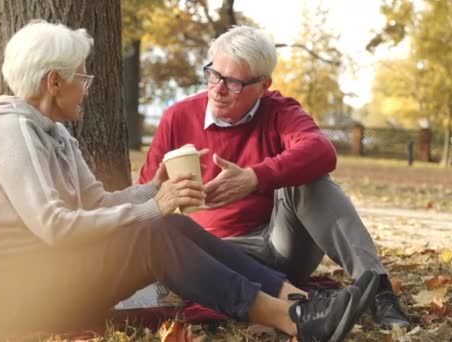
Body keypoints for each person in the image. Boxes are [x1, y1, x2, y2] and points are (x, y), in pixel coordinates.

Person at [0, 20, 378, 341]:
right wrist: (150, 208)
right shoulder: (10, 129)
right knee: (155, 231)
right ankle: (293, 321)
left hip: (53, 276)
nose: (85, 90)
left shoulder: (56, 133)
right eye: (81, 79)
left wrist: (154, 189)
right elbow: (53, 225)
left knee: (171, 224)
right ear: (54, 81)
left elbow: (96, 201)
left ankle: (298, 300)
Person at [137, 25, 411, 330]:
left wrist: (255, 177)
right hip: (218, 255)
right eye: (214, 74)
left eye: (234, 82)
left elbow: (322, 151)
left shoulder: (279, 111)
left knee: (312, 180)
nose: (218, 88)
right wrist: (169, 191)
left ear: (263, 85)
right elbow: (145, 194)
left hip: (282, 245)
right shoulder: (179, 116)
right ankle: (295, 304)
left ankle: (379, 291)